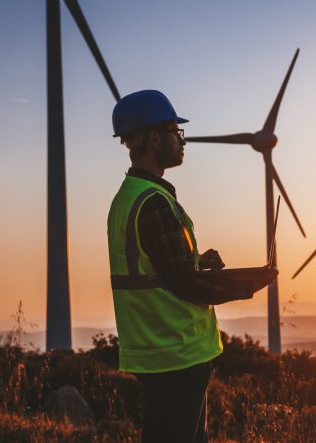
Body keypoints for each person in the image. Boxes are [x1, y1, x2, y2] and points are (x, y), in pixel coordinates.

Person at [106, 90, 277, 442]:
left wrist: (199, 261)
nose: (181, 141)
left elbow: (153, 266)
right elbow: (182, 283)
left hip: (159, 352)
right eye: (175, 132)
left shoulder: (131, 197)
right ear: (155, 139)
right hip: (176, 354)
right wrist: (245, 285)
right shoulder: (152, 202)